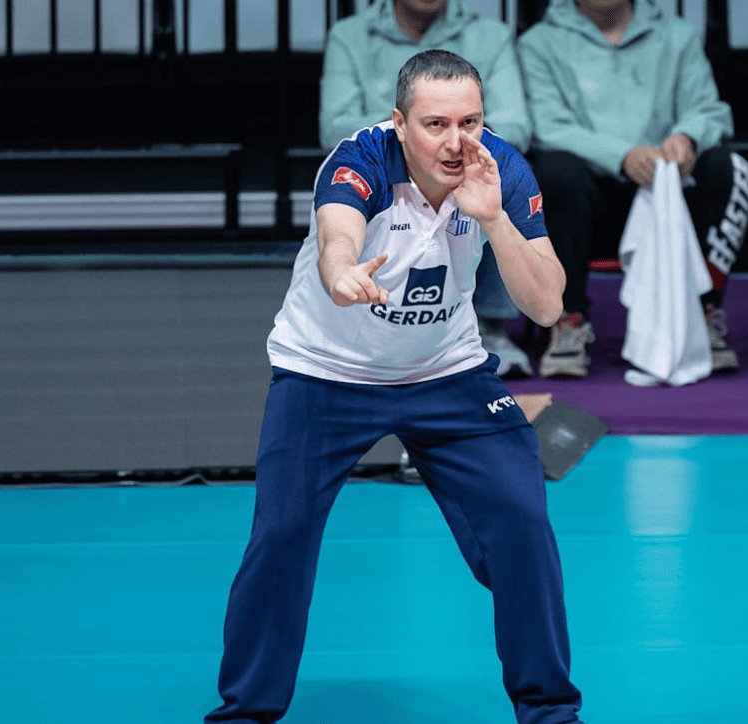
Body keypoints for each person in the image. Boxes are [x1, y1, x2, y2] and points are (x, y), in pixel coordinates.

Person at [205, 50, 583, 724]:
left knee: (523, 523)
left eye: (469, 121)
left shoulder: (499, 168)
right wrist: (343, 270)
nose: (455, 140)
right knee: (281, 536)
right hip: (326, 372)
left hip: (447, 371)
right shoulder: (360, 160)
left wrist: (494, 218)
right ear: (399, 123)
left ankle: (551, 711)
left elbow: (548, 306)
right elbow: (336, 234)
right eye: (435, 123)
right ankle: (246, 713)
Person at [517, 0, 748, 378]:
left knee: (727, 166)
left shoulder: (676, 34)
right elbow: (547, 125)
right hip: (589, 201)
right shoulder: (539, 43)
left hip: (667, 192)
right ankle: (568, 319)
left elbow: (708, 110)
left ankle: (703, 312)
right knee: (552, 172)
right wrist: (623, 156)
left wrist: (686, 137)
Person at [320, 0, 536, 377]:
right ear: (400, 122)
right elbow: (333, 128)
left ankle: (491, 326)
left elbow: (514, 126)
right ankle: (369, 323)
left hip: (468, 164)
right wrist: (418, 141)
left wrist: (454, 141)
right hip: (382, 165)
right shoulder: (350, 36)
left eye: (468, 117)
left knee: (492, 178)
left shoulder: (491, 36)